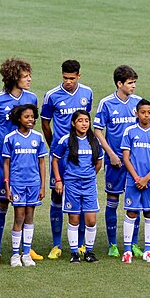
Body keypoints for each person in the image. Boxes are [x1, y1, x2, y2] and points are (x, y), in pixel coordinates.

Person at [0, 58, 42, 264]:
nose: (29, 79)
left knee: (26, 207)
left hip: (28, 164)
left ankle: (26, 248)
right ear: (14, 78)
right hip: (3, 163)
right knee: (2, 202)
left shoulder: (31, 98)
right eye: (25, 76)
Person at [41, 60, 94, 260]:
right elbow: (45, 123)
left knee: (80, 199)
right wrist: (54, 145)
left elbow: (85, 118)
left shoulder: (87, 93)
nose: (68, 82)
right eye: (65, 78)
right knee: (56, 195)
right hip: (61, 155)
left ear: (79, 76)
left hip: (81, 156)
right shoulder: (52, 95)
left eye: (72, 78)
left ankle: (80, 244)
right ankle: (56, 244)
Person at [93, 65, 142, 258]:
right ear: (119, 83)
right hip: (115, 162)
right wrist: (111, 154)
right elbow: (98, 130)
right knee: (112, 201)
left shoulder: (138, 103)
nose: (133, 86)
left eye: (134, 82)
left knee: (134, 204)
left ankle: (134, 243)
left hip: (135, 163)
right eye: (130, 83)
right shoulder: (106, 103)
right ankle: (113, 243)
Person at [53, 110, 104, 263]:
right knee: (74, 219)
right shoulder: (66, 140)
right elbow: (55, 160)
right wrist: (58, 180)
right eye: (80, 121)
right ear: (73, 123)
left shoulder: (94, 141)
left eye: (86, 121)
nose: (84, 124)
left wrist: (89, 175)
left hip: (89, 185)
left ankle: (89, 251)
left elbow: (99, 163)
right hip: (71, 184)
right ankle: (74, 252)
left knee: (91, 220)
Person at [120, 99, 150, 263]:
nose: (146, 115)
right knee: (131, 212)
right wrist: (137, 178)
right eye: (143, 112)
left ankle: (147, 250)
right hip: (133, 180)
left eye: (149, 112)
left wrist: (146, 178)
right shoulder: (130, 131)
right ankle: (127, 251)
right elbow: (126, 158)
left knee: (149, 212)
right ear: (137, 113)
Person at [2, 104, 47, 267]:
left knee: (29, 216)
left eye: (32, 117)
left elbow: (42, 163)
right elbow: (6, 164)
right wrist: (7, 186)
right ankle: (15, 254)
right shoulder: (10, 138)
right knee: (19, 216)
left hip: (33, 183)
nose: (30, 120)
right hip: (18, 183)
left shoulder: (38, 137)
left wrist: (42, 186)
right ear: (18, 118)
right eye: (26, 117)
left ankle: (26, 253)